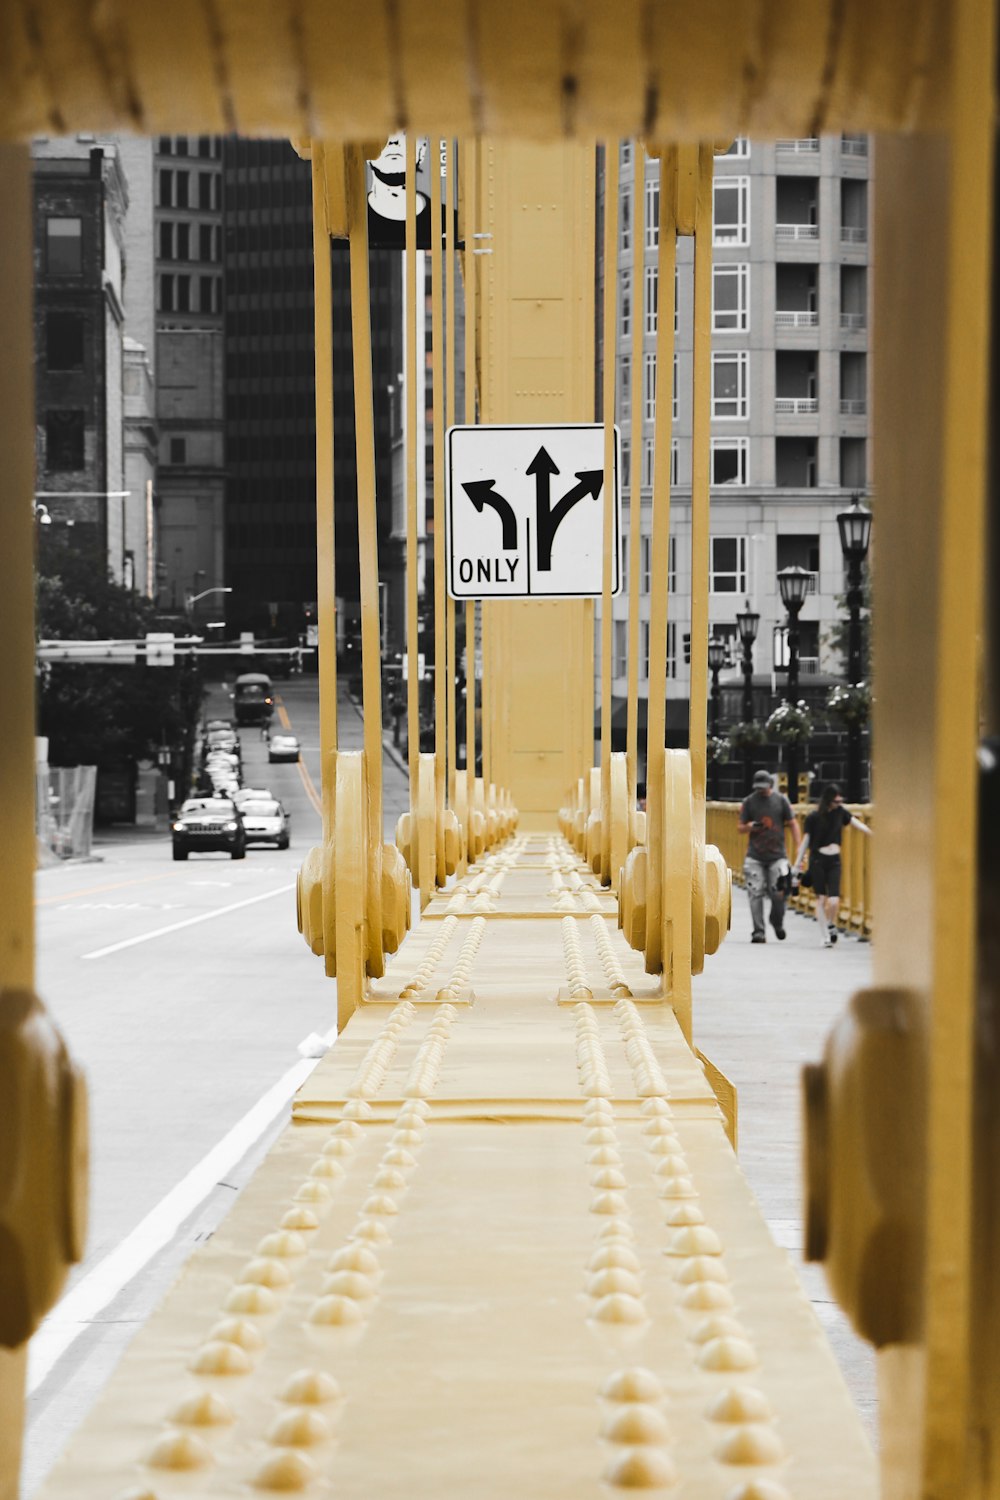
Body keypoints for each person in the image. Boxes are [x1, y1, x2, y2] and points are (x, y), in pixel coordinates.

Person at [792, 782, 872, 947]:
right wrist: (797, 864)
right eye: (836, 802)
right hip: (817, 860)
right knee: (821, 899)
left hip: (834, 860)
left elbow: (857, 824)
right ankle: (825, 936)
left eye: (840, 801)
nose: (839, 804)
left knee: (834, 900)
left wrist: (872, 833)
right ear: (828, 801)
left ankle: (830, 923)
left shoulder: (840, 813)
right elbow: (806, 841)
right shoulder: (813, 817)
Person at [737, 769, 802, 944]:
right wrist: (750, 826)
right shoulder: (749, 802)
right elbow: (740, 827)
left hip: (778, 856)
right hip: (755, 855)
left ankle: (777, 921)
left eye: (764, 788)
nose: (761, 791)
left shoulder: (781, 800)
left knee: (780, 892)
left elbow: (793, 823)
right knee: (755, 893)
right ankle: (758, 931)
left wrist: (799, 847)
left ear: (771, 786)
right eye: (758, 788)